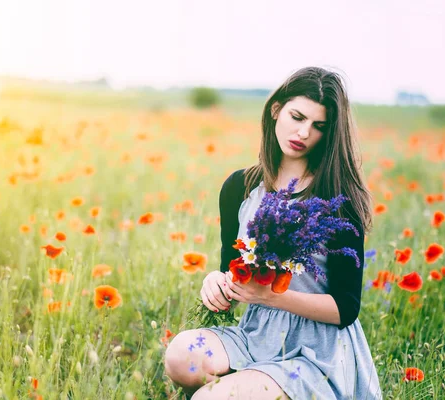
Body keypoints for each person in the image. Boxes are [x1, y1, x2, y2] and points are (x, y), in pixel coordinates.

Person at [164, 66, 383, 399]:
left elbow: (345, 308)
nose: (304, 132)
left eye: (318, 126)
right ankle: (253, 383)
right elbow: (233, 268)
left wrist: (273, 296)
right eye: (297, 116)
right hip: (256, 335)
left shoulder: (338, 201)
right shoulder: (241, 187)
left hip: (315, 351)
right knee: (181, 357)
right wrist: (217, 283)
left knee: (209, 398)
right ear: (276, 109)